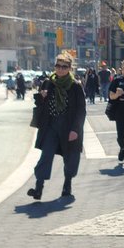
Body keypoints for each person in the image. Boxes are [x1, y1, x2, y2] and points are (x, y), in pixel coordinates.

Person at [27, 53, 87, 201]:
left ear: (69, 68)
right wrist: (41, 97)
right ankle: (38, 188)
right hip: (50, 126)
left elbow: (81, 110)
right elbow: (40, 105)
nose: (60, 69)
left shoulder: (75, 86)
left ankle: (67, 185)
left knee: (70, 158)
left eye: (64, 67)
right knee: (45, 156)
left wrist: (75, 130)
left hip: (68, 127)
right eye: (58, 66)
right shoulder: (48, 83)